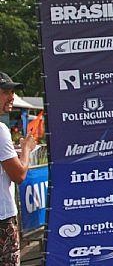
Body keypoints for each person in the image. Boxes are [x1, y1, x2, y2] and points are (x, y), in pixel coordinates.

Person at [0, 73, 36, 265]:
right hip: (2, 218)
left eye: (12, 91)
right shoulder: (0, 130)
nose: (12, 96)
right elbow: (19, 174)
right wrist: (26, 149)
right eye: (6, 92)